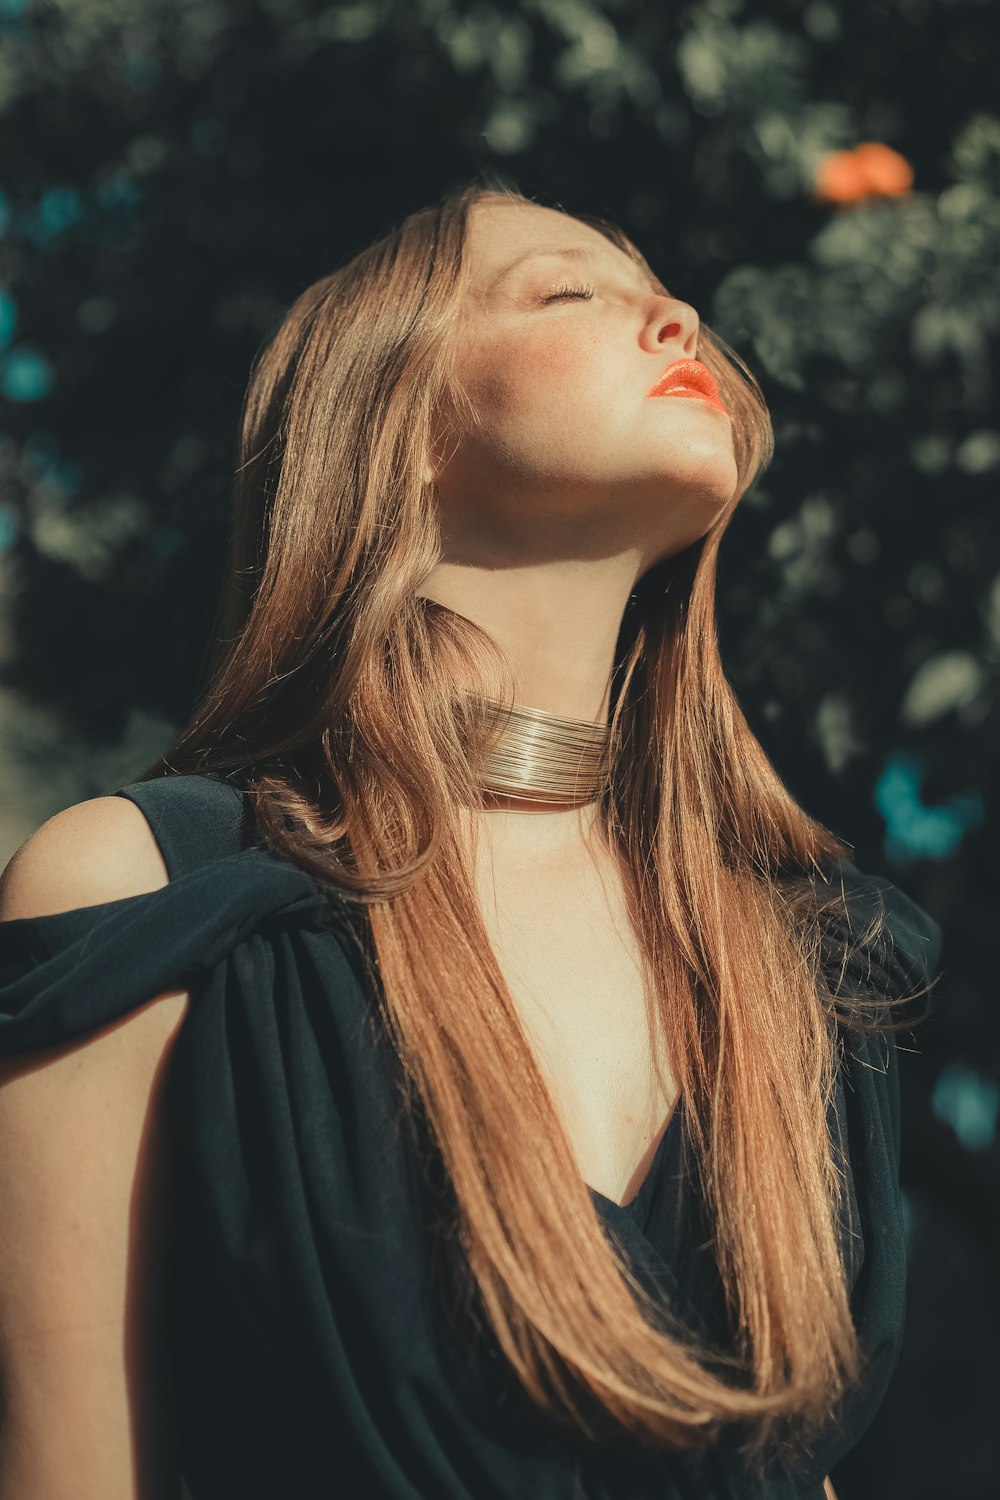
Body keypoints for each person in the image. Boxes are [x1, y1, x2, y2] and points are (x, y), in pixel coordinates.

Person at [0, 180, 942, 1499]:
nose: (679, 318)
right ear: (401, 430)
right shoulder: (147, 907)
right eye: (571, 291)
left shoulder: (799, 959)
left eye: (667, 294)